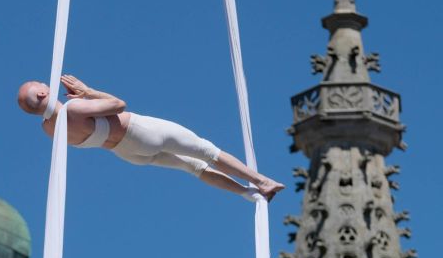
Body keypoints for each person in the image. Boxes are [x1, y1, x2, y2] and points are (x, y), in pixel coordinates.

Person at [17, 75, 285, 201]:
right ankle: (262, 181)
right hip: (141, 133)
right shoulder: (73, 109)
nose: (44, 82)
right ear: (41, 95)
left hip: (128, 154)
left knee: (193, 167)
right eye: (39, 83)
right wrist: (88, 92)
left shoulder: (49, 130)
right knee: (207, 151)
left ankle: (248, 194)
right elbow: (118, 104)